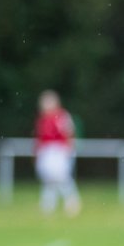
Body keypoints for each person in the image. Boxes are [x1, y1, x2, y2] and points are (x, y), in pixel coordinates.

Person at [34, 89, 81, 217]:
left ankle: (72, 200)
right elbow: (40, 139)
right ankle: (48, 205)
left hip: (59, 151)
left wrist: (68, 150)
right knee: (49, 180)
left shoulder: (62, 116)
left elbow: (69, 133)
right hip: (46, 152)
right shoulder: (42, 119)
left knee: (60, 177)